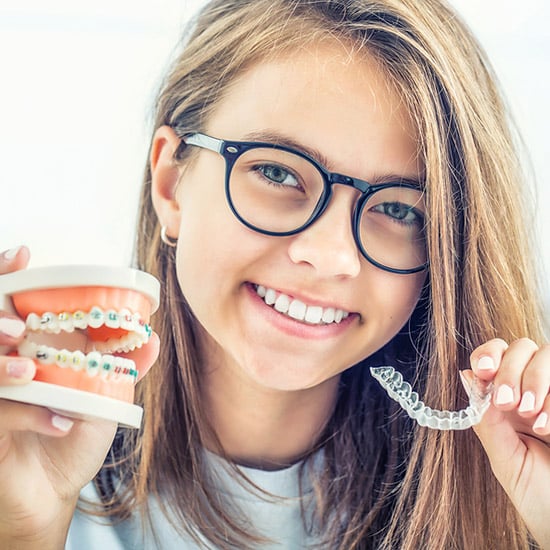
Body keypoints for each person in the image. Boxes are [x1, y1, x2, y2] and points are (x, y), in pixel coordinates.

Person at [0, 0, 549, 548]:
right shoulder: (34, 444)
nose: (330, 256)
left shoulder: (507, 485)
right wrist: (26, 528)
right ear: (170, 184)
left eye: (401, 209)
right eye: (278, 172)